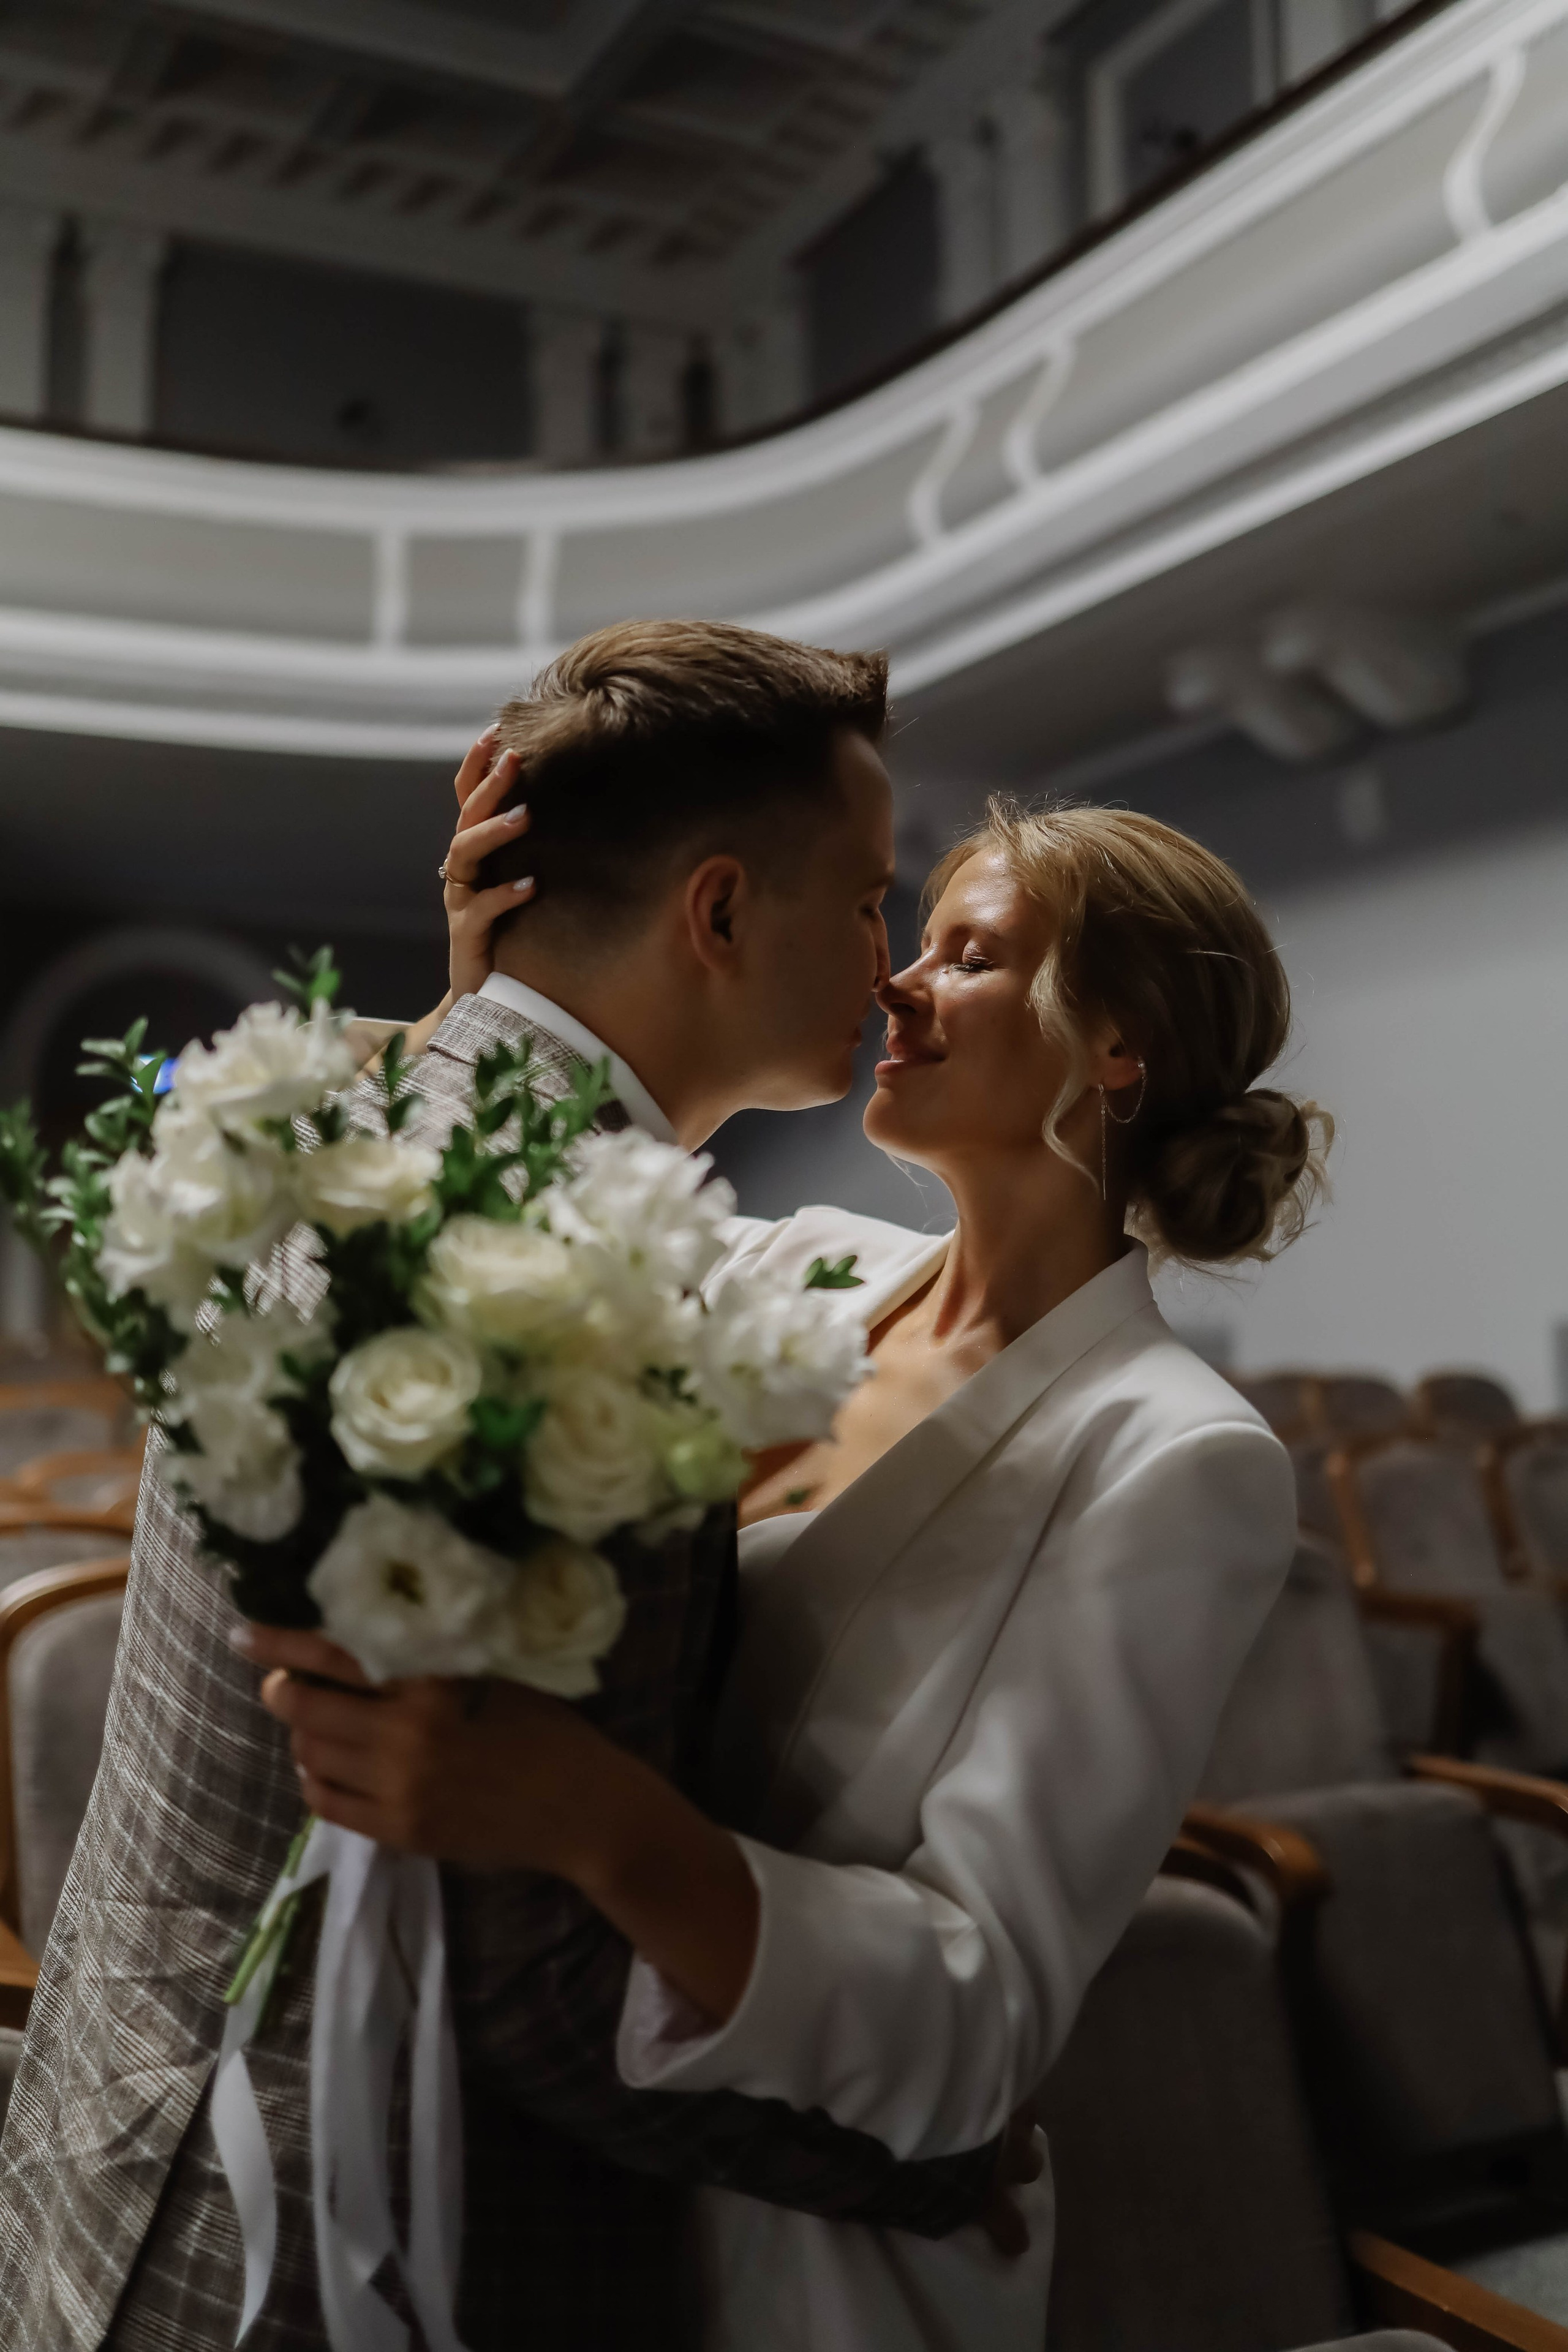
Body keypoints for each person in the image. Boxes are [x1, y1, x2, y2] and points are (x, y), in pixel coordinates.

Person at [0, 622, 1035, 2352]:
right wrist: (919, 2162)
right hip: (339, 2235)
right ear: (718, 913)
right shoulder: (560, 1282)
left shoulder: (357, 1105)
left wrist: (488, 992)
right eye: (863, 901)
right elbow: (533, 1988)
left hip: (112, 2135)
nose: (887, 968)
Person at [245, 793, 1329, 2349]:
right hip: (523, 2128)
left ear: (1116, 1047)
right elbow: (471, 1246)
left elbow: (977, 2015)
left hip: (798, 2250)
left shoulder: (1176, 1458)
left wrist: (592, 1819)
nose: (896, 984)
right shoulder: (788, 1262)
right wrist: (497, 994)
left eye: (969, 954)